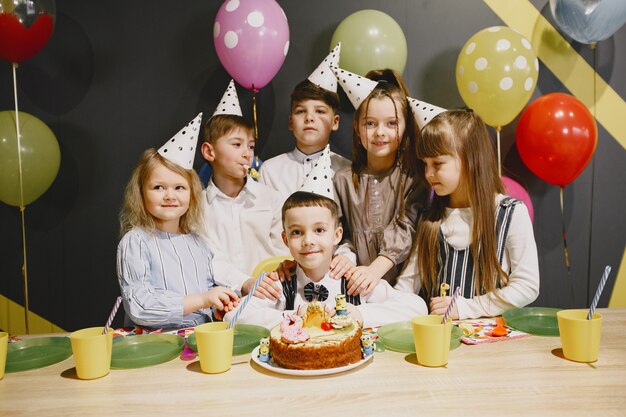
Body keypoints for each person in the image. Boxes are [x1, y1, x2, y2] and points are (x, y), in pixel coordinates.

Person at [395, 109, 540, 319]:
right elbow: (406, 286)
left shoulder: (511, 213)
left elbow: (527, 286)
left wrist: (465, 308)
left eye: (437, 163)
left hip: (495, 342)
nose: (428, 173)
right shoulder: (431, 219)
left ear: (470, 158)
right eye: (425, 164)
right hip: (443, 342)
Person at [223, 191, 427, 329]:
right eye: (297, 232)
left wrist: (361, 314)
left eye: (319, 230)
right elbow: (233, 316)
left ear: (337, 235)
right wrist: (294, 317)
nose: (308, 241)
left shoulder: (353, 282)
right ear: (285, 239)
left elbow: (416, 306)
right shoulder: (281, 283)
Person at [117, 114, 239, 329]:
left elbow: (206, 295)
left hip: (198, 341)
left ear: (192, 194)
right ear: (140, 192)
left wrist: (216, 307)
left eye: (179, 187)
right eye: (158, 187)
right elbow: (140, 306)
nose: (169, 196)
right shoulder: (136, 241)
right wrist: (202, 300)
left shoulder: (199, 243)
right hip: (154, 346)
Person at [330, 66, 428, 296]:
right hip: (357, 287)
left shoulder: (413, 179)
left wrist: (374, 272)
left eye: (391, 123)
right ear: (357, 127)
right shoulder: (342, 180)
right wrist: (346, 256)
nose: (380, 132)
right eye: (370, 123)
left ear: (405, 127)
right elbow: (338, 233)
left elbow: (406, 228)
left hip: (407, 290)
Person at [200, 80, 289, 296]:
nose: (247, 153)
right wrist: (244, 283)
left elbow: (284, 252)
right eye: (236, 144)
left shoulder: (271, 199)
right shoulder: (199, 208)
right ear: (210, 152)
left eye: (250, 146)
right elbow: (209, 260)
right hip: (223, 300)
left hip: (273, 296)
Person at [259, 43, 351, 205]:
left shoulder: (346, 170)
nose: (309, 117)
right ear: (290, 122)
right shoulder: (271, 170)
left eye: (320, 111)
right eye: (301, 111)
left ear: (335, 122)